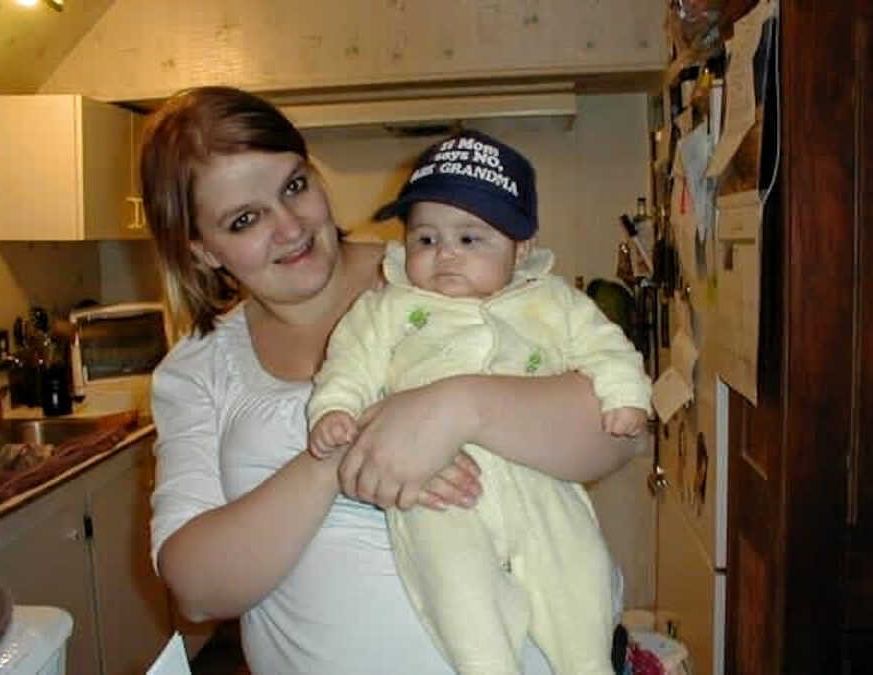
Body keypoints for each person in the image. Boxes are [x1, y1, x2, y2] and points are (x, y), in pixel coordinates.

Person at [141, 86, 641, 675]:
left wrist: (458, 408)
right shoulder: (198, 372)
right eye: (245, 219)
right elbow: (197, 588)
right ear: (201, 251)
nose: (290, 227)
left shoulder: (445, 264)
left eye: (295, 186)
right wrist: (351, 454)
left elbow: (618, 435)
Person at [308, 130, 651, 675]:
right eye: (425, 239)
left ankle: (589, 666)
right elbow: (349, 362)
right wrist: (333, 409)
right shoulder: (388, 308)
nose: (445, 254)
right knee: (458, 592)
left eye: (471, 240)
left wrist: (625, 394)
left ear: (522, 248)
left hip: (540, 480)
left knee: (577, 576)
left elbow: (606, 347)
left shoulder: (554, 301)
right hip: (441, 493)